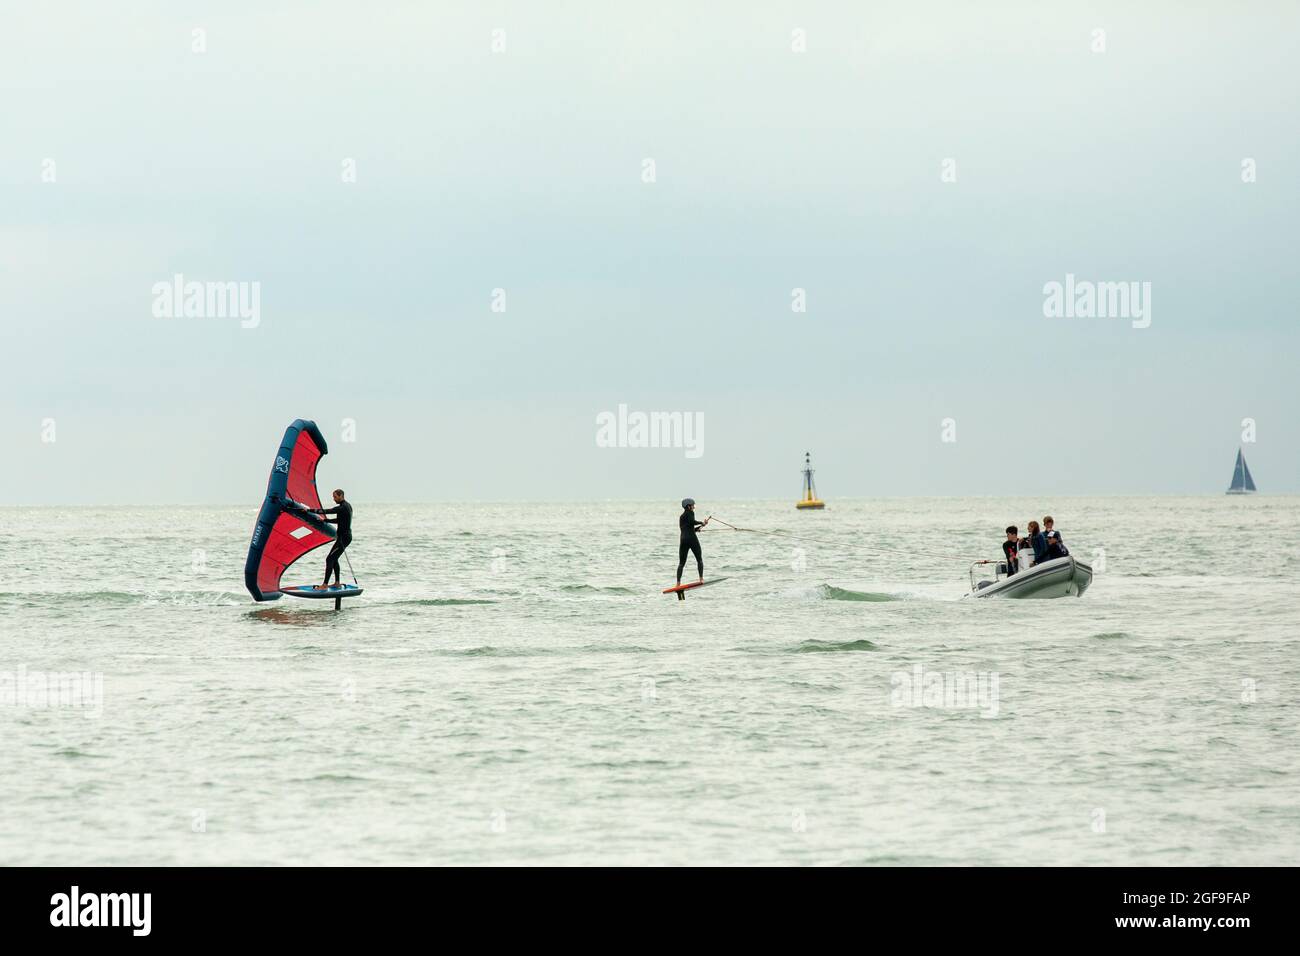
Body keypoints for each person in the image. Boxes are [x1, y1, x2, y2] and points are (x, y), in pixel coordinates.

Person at [311, 489, 353, 589]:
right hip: (345, 537)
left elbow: (327, 511)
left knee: (329, 559)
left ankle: (325, 585)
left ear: (341, 495)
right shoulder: (347, 506)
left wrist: (309, 510)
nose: (334, 499)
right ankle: (337, 583)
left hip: (343, 538)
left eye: (335, 497)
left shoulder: (342, 507)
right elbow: (339, 520)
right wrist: (326, 521)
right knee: (334, 559)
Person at [676, 498, 709, 600]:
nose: (694, 507)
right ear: (688, 506)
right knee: (699, 559)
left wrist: (698, 528)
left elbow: (687, 528)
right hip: (692, 539)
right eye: (693, 505)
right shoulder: (690, 513)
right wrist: (701, 523)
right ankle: (701, 579)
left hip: (683, 540)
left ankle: (678, 583)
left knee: (681, 563)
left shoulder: (681, 517)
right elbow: (692, 521)